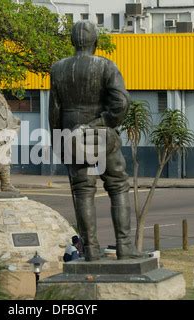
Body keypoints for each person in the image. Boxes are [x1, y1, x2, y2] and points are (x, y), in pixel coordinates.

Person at [49, 20, 146, 261]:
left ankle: (91, 250)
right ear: (96, 42)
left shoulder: (58, 69)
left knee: (83, 191)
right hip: (102, 135)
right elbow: (121, 102)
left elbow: (54, 110)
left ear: (72, 42)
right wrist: (104, 121)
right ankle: (124, 246)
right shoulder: (105, 66)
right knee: (117, 186)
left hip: (71, 136)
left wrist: (58, 141)